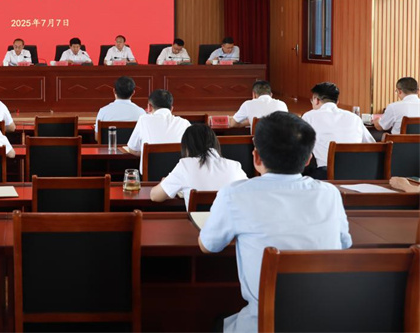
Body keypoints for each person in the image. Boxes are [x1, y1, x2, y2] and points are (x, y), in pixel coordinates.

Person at [199, 111, 351, 333]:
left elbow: (208, 246)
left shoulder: (234, 195)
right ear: (308, 159)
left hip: (261, 325)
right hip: (324, 322)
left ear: (256, 158)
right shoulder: (330, 194)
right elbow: (344, 245)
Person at [149, 125, 247, 208]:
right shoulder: (235, 166)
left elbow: (155, 196)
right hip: (232, 224)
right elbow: (248, 194)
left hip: (198, 224)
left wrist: (165, 182)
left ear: (187, 147)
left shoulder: (185, 165)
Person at [301, 82, 375, 179]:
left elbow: (299, 146)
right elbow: (371, 145)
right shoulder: (354, 118)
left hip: (326, 175)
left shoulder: (309, 116)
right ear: (337, 102)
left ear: (316, 100)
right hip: (356, 174)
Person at [127, 90, 191, 172]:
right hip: (178, 176)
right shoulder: (185, 123)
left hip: (150, 176)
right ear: (171, 108)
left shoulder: (144, 120)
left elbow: (132, 148)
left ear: (149, 107)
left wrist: (147, 154)